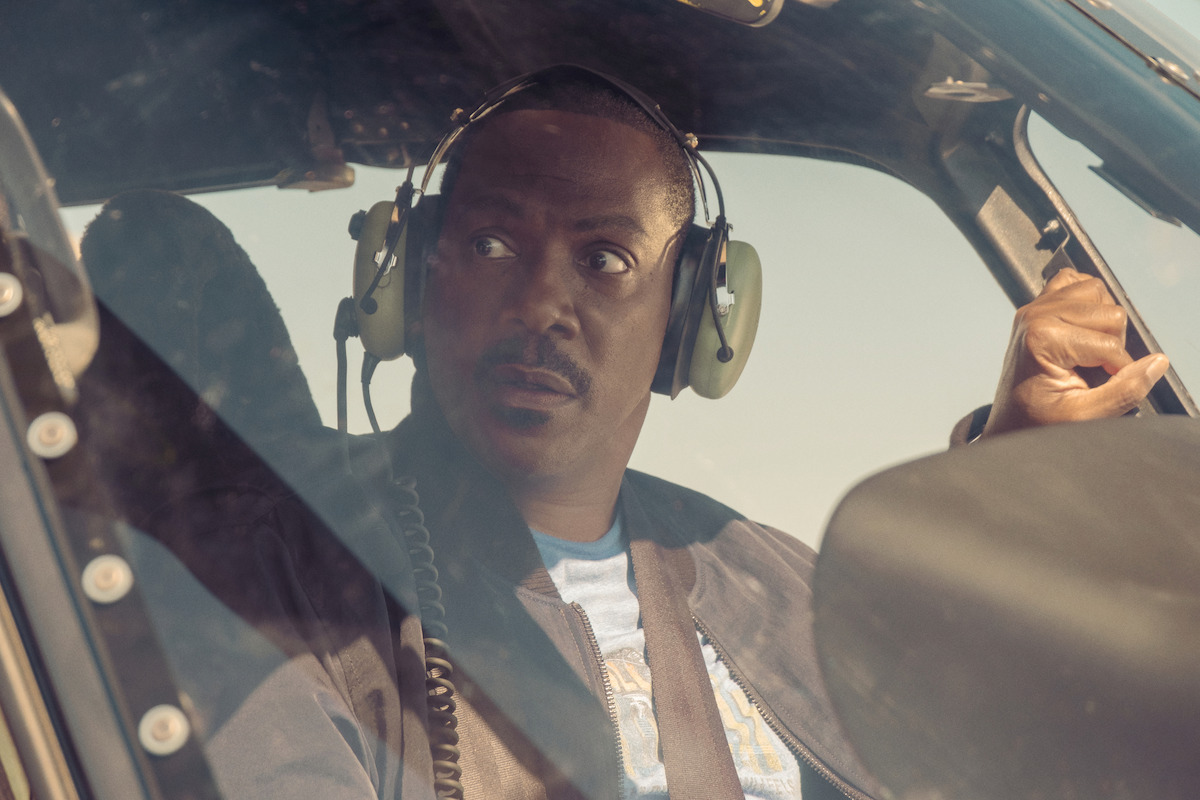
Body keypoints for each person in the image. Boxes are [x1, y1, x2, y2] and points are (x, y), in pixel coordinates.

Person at [187, 66, 1172, 800]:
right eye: (491, 243)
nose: (542, 304)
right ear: (410, 276)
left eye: (605, 258)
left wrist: (1010, 473)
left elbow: (971, 725)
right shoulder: (276, 586)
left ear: (695, 316)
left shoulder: (764, 575)